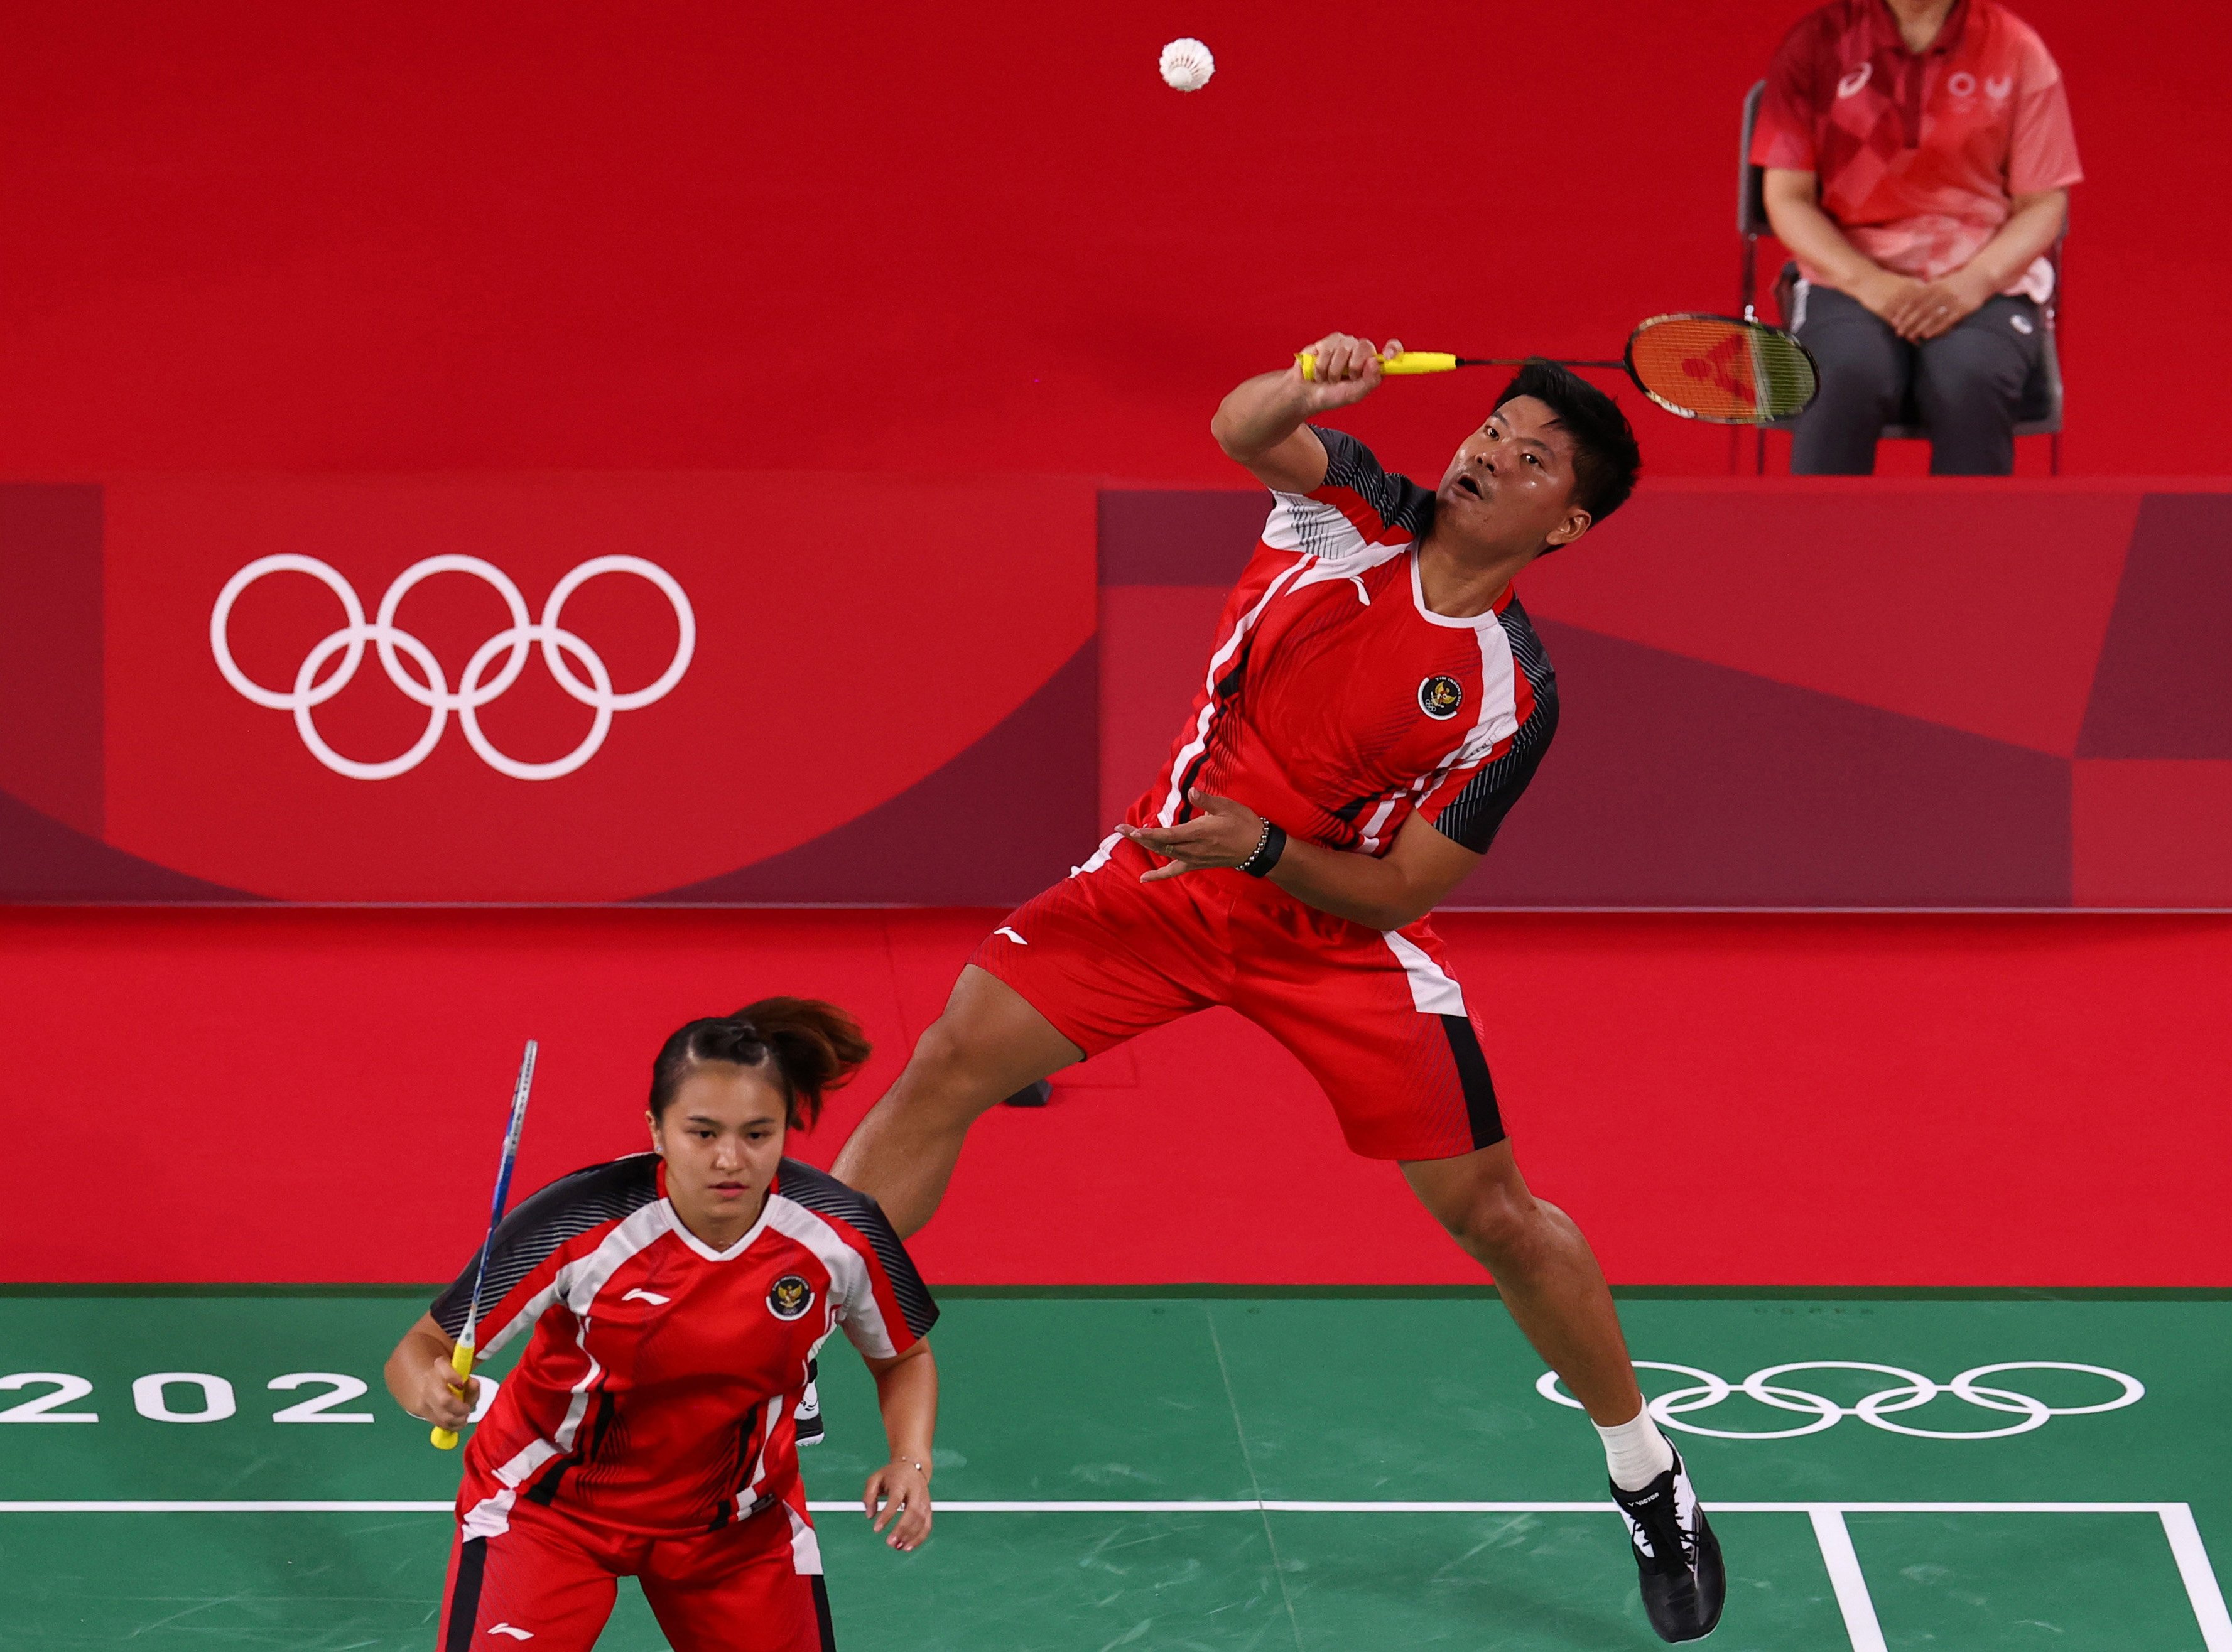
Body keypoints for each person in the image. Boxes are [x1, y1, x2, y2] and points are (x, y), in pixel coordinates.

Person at [832, 337, 1724, 1642]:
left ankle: (1648, 1472)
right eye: (1492, 428)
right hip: (1160, 885)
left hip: (1326, 934)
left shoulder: (1510, 695)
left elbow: (1403, 890)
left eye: (1531, 458)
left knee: (1498, 1216)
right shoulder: (1351, 510)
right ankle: (786, 1322)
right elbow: (1241, 428)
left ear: (1567, 524)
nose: (1487, 453)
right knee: (947, 1065)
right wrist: (1306, 389)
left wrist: (1261, 849)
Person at [385, 999, 938, 1652]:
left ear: (785, 1129)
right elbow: (421, 1348)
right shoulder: (577, 1222)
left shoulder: (839, 1234)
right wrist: (426, 1388)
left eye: (757, 1134)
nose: (730, 1159)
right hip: (550, 1511)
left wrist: (911, 1460)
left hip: (737, 1526)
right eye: (702, 1133)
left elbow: (902, 1357)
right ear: (656, 1130)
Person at [1754, 0, 2080, 475]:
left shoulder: (2016, 49)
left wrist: (1972, 283)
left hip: (1984, 277)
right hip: (1848, 275)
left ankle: (1969, 550)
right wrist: (1870, 283)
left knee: (1971, 377)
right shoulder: (1817, 44)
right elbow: (1788, 199)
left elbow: (2043, 204)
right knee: (1844, 375)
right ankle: (1816, 547)